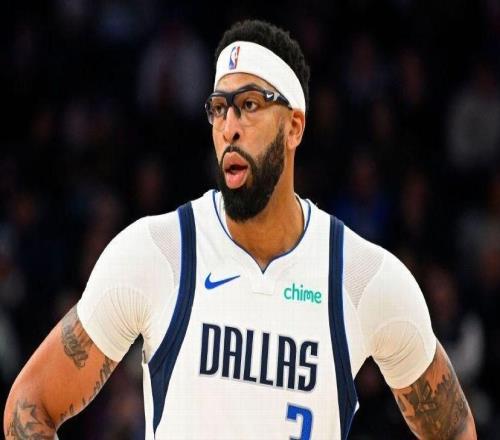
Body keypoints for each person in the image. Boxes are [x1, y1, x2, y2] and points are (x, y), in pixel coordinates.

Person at [4, 19, 477, 439]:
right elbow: (29, 405)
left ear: (294, 127)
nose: (229, 127)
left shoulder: (362, 277)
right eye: (219, 108)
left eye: (249, 104)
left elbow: (454, 429)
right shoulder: (157, 252)